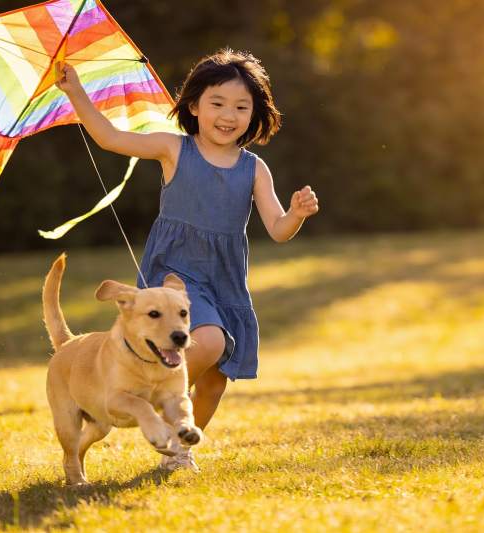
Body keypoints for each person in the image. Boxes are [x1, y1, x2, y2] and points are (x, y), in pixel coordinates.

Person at [55, 48, 319, 472]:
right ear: (194, 106)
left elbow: (277, 229)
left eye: (241, 106)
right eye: (217, 103)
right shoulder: (174, 149)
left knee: (215, 382)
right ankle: (152, 392)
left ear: (256, 115)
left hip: (225, 282)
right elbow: (111, 138)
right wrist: (77, 94)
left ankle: (179, 453)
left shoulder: (254, 169)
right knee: (209, 342)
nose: (228, 115)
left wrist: (296, 215)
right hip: (177, 277)